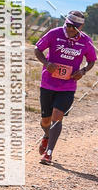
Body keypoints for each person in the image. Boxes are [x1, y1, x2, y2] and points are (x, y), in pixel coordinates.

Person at [34, 10, 96, 166]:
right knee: (45, 121)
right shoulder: (54, 34)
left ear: (80, 27)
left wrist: (83, 71)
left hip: (68, 87)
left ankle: (49, 153)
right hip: (48, 83)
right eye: (68, 25)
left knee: (57, 116)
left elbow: (91, 60)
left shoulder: (86, 41)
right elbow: (37, 49)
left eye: (73, 27)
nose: (69, 29)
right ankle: (47, 135)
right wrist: (46, 63)